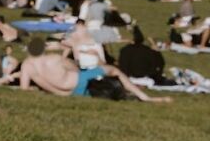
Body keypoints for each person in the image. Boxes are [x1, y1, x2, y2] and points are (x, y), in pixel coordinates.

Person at [18, 38, 169, 102]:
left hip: (69, 94)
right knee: (113, 70)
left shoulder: (26, 66)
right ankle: (145, 97)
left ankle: (123, 93)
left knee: (102, 89)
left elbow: (24, 89)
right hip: (78, 81)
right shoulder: (54, 58)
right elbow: (76, 69)